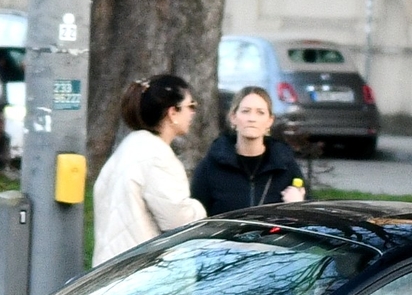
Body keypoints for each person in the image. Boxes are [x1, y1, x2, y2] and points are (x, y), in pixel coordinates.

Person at [91, 74, 206, 263]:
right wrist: (198, 208)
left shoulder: (129, 147)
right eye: (190, 106)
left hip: (109, 271)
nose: (193, 113)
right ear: (172, 113)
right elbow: (178, 220)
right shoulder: (157, 156)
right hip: (140, 274)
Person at [191, 86, 309, 215]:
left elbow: (309, 221)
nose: (252, 118)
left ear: (270, 121)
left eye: (260, 112)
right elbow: (196, 219)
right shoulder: (211, 166)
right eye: (246, 111)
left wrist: (297, 205)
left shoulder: (285, 165)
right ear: (233, 117)